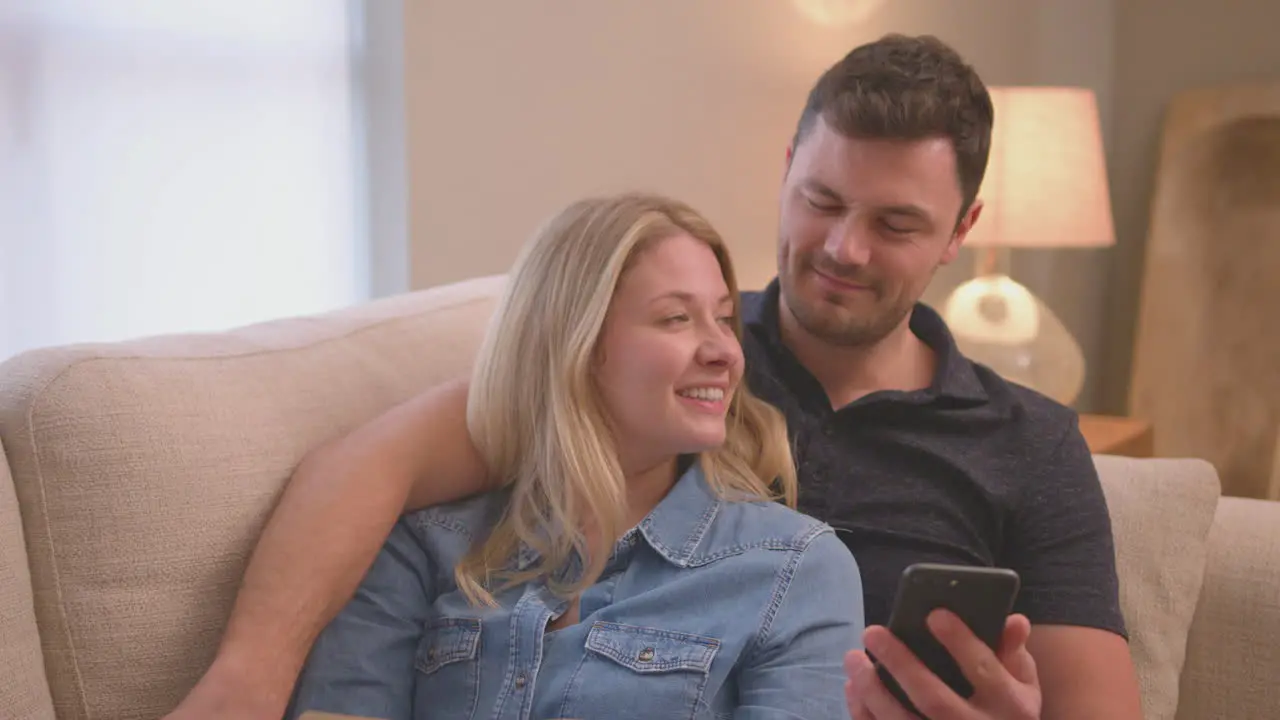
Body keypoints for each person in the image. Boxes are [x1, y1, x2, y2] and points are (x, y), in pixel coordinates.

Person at [166, 33, 1144, 720]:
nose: (841, 248)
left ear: (958, 234)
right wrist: (246, 681)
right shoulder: (666, 383)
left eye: (892, 224)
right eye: (819, 200)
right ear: (784, 169)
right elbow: (374, 465)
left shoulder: (1023, 443)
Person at [283, 192, 865, 719]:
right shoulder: (425, 545)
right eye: (677, 318)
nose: (724, 352)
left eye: (724, 318)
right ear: (576, 344)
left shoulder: (793, 569)